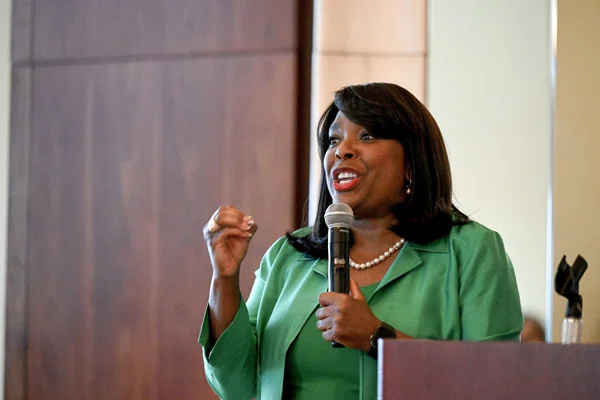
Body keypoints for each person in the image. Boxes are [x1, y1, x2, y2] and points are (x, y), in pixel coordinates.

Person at [199, 82, 523, 399]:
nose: (342, 150)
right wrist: (225, 278)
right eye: (333, 140)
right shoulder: (288, 258)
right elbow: (237, 386)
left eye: (366, 136)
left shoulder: (471, 251)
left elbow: (496, 383)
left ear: (411, 163)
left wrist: (376, 337)